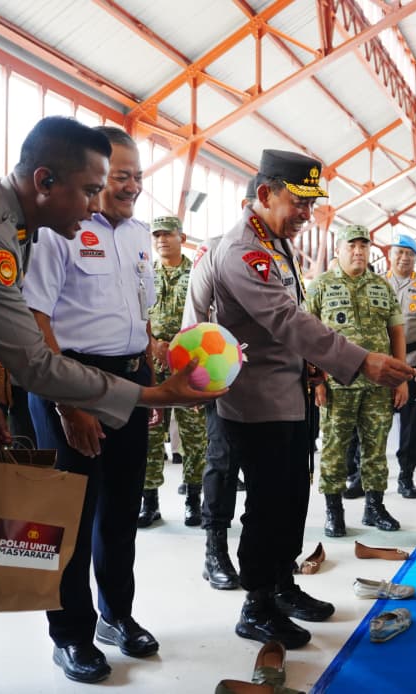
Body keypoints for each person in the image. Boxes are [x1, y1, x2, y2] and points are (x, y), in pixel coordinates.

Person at [0, 116, 214, 694]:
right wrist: (153, 395)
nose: (94, 204)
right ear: (44, 180)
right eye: (88, 189)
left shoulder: (15, 223)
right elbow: (32, 358)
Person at [200, 149, 414, 649]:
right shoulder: (242, 251)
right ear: (264, 194)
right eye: (298, 202)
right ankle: (257, 605)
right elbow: (287, 320)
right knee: (268, 505)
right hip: (256, 403)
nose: (305, 213)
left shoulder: (273, 242)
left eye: (311, 204)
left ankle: (281, 584)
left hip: (288, 396)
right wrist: (361, 360)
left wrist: (314, 367)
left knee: (293, 496)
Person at [22, 126, 162, 684]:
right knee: (69, 521)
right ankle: (71, 635)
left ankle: (116, 616)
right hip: (71, 381)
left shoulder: (141, 236)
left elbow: (140, 316)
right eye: (122, 177)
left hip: (127, 384)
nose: (132, 188)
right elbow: (36, 320)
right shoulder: (59, 231)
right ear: (96, 177)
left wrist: (147, 378)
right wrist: (67, 404)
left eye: (138, 178)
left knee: (122, 511)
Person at [184, 177, 259, 590]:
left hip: (271, 381)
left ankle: (261, 556)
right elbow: (194, 314)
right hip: (223, 379)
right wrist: (193, 379)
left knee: (266, 471)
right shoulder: (214, 249)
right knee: (222, 463)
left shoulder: (281, 253)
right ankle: (215, 551)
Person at [308, 224, 406, 536]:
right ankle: (333, 510)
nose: (358, 251)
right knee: (335, 447)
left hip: (379, 385)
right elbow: (307, 335)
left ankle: (374, 507)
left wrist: (400, 378)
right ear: (339, 250)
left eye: (363, 246)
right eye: (352, 245)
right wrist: (317, 380)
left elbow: (397, 332)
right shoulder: (321, 286)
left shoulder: (383, 286)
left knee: (376, 448)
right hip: (338, 384)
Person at [139, 215, 208, 528]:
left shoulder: (196, 272)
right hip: (151, 367)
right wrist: (152, 342)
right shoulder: (144, 274)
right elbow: (136, 313)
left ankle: (194, 500)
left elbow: (206, 316)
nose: (161, 240)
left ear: (182, 237)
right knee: (151, 434)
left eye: (168, 234)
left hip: (188, 366)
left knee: (195, 436)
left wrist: (178, 346)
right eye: (157, 235)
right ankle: (149, 502)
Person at [384, 233, 416, 498]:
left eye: (410, 253)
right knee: (374, 424)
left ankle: (406, 476)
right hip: (383, 365)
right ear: (390, 254)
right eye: (399, 252)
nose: (404, 258)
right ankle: (361, 476)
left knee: (412, 426)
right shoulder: (376, 283)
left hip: (414, 365)